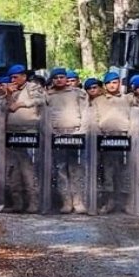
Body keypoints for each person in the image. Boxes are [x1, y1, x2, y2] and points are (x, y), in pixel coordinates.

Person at [46, 67, 87, 214]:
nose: (59, 80)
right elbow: (45, 116)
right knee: (60, 169)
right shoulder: (48, 95)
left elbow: (85, 113)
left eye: (62, 77)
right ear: (52, 79)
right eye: (56, 77)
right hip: (57, 136)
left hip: (76, 134)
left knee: (77, 169)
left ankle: (79, 201)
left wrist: (82, 131)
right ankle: (66, 201)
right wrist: (51, 133)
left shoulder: (78, 93)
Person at [3, 64, 42, 212]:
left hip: (29, 133)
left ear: (24, 76)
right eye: (11, 77)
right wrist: (7, 94)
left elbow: (42, 100)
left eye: (15, 77)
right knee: (14, 169)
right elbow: (5, 108)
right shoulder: (11, 89)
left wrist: (22, 104)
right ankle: (17, 203)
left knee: (28, 169)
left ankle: (34, 202)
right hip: (12, 133)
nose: (13, 79)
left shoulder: (32, 87)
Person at [92, 71, 131, 213]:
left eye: (114, 82)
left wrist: (131, 135)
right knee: (107, 171)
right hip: (106, 139)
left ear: (119, 83)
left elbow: (135, 118)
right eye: (108, 83)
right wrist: (99, 137)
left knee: (125, 171)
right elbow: (94, 120)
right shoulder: (98, 101)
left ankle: (126, 202)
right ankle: (109, 201)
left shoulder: (128, 99)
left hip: (125, 139)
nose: (112, 85)